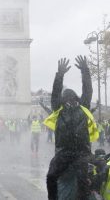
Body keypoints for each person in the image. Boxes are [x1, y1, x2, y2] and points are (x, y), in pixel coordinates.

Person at [44, 56, 99, 200]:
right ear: (64, 100)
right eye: (67, 98)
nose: (70, 100)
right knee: (51, 176)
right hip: (64, 153)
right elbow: (56, 93)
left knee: (81, 180)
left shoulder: (83, 108)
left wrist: (85, 71)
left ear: (76, 98)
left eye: (72, 97)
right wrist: (60, 74)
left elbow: (87, 90)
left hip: (81, 152)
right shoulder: (59, 109)